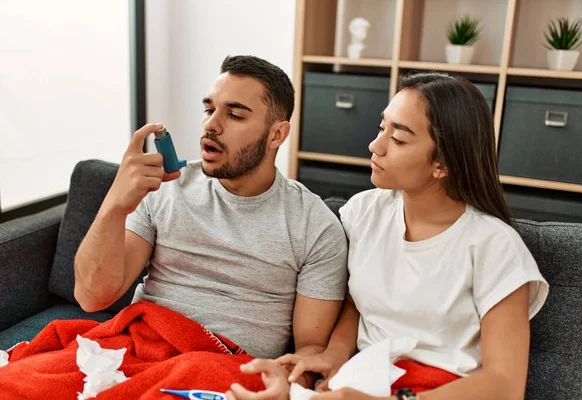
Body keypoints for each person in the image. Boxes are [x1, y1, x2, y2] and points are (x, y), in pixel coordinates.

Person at [227, 72, 549, 400]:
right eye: (383, 128)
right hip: (366, 380)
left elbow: (504, 384)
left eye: (398, 139)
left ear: (443, 164)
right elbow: (356, 303)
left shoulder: (495, 246)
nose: (375, 146)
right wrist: (332, 356)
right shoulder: (364, 213)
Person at [73, 55, 349, 388]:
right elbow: (93, 298)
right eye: (209, 110)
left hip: (224, 372)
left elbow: (309, 352)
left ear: (277, 134)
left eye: (234, 115)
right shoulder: (167, 187)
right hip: (138, 350)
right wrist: (114, 206)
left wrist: (288, 387)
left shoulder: (315, 226)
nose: (210, 125)